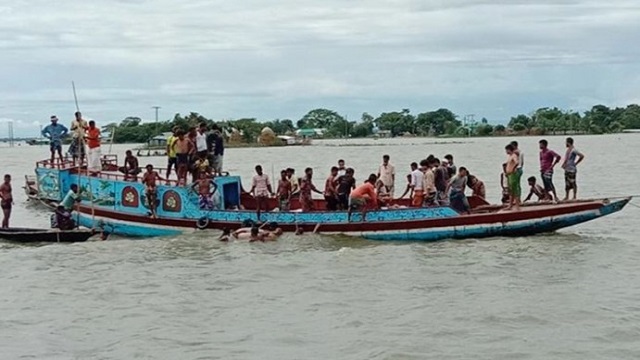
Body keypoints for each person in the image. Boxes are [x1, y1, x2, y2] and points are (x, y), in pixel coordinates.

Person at [505, 144, 521, 211]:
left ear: (509, 150)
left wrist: (513, 169)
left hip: (513, 174)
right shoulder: (510, 156)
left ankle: (517, 206)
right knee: (510, 190)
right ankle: (510, 205)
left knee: (515, 190)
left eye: (506, 150)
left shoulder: (514, 156)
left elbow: (517, 162)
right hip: (509, 174)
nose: (506, 151)